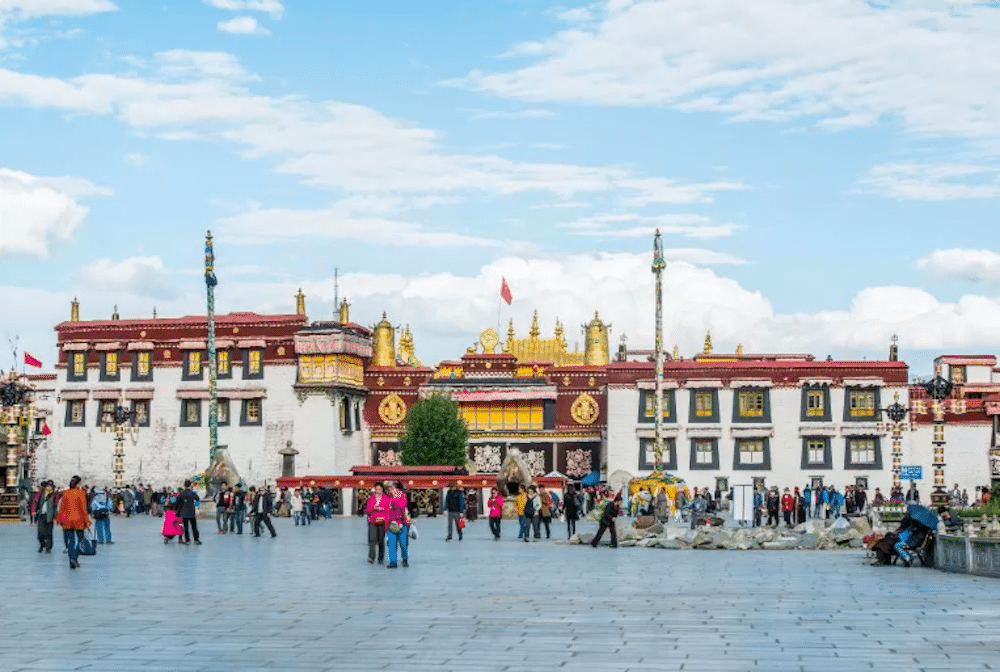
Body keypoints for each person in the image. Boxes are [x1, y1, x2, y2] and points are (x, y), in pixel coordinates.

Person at [56, 475, 90, 569]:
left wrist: (59, 520)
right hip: (79, 520)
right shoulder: (81, 493)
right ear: (78, 484)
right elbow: (83, 509)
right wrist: (87, 521)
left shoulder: (66, 493)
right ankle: (74, 557)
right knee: (81, 540)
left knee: (70, 542)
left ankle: (71, 560)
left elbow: (62, 509)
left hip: (67, 521)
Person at [385, 481, 410, 568]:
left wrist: (393, 502)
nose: (391, 490)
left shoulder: (402, 495)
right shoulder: (388, 497)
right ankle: (393, 561)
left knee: (403, 544)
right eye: (389, 488)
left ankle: (405, 560)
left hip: (402, 523)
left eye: (392, 488)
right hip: (391, 523)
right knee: (391, 543)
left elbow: (401, 505)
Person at [365, 483, 389, 563]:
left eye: (380, 489)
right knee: (372, 539)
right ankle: (371, 557)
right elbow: (367, 510)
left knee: (381, 540)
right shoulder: (371, 498)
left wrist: (382, 509)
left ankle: (380, 557)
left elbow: (388, 511)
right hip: (373, 521)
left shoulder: (386, 498)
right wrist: (373, 508)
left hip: (382, 522)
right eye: (377, 489)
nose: (378, 491)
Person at [176, 479, 201, 545]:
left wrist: (178, 512)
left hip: (184, 512)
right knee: (194, 527)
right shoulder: (192, 493)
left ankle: (187, 540)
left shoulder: (182, 493)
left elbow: (179, 503)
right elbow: (197, 498)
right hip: (191, 512)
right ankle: (196, 539)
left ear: (184, 485)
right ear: (190, 485)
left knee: (186, 527)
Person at [35, 480, 57, 553]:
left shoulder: (54, 496)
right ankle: (42, 544)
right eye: (48, 486)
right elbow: (37, 503)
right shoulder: (42, 494)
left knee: (49, 533)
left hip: (50, 516)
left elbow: (55, 507)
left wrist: (55, 517)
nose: (49, 488)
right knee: (40, 533)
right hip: (41, 515)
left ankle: (48, 547)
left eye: (50, 486)